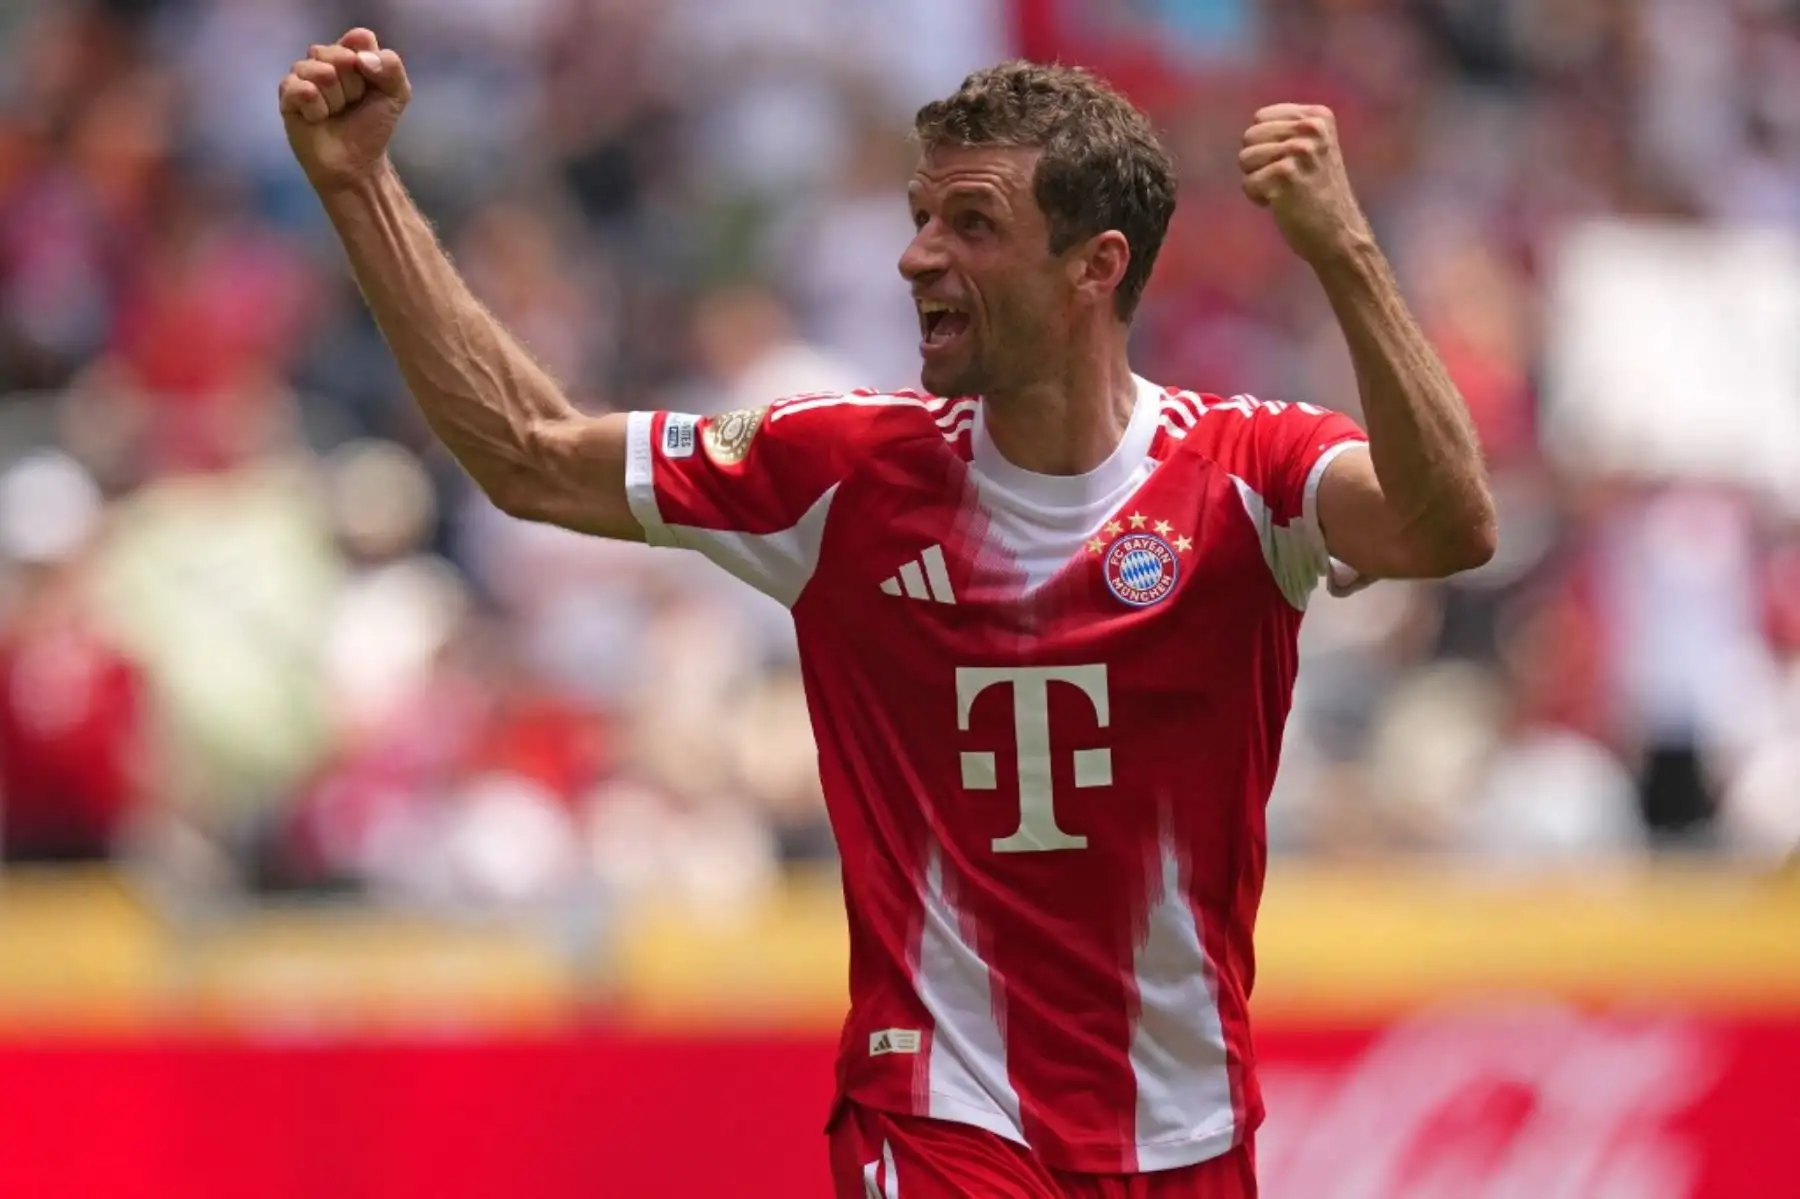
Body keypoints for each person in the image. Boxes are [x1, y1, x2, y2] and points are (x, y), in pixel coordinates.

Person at [280, 29, 1494, 1199]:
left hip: (1187, 1128)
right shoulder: (843, 470)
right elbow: (532, 454)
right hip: (941, 1114)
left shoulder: (1246, 472)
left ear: (1096, 266)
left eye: (971, 224)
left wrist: (1344, 251)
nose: (917, 257)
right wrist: (359, 186)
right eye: (921, 217)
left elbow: (1449, 526)